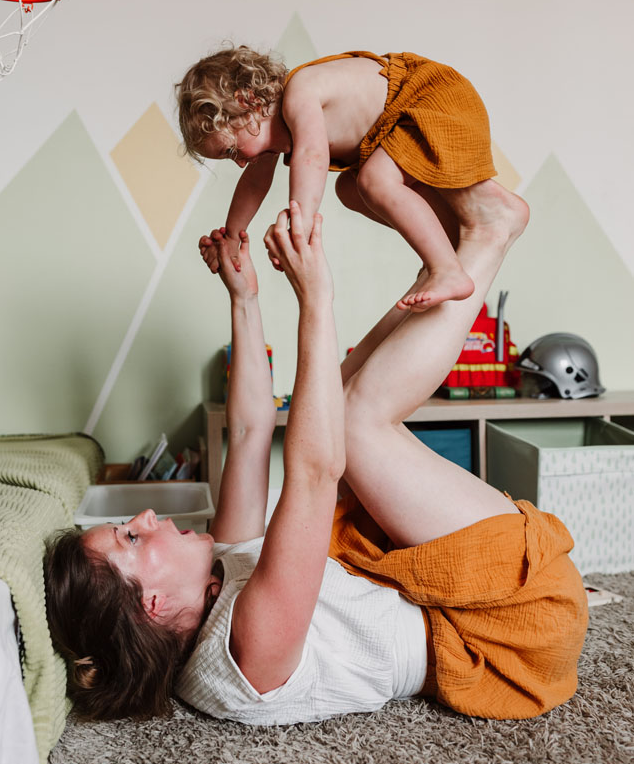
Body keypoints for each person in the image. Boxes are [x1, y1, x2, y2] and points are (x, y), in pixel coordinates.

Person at [45, 195, 588, 725]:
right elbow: (313, 473)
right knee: (351, 423)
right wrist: (314, 297)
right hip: (513, 625)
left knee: (340, 394)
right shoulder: (246, 655)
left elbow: (253, 431)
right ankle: (490, 234)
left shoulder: (214, 582)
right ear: (154, 605)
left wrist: (244, 299)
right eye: (131, 539)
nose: (142, 519)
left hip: (465, 599)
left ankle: (440, 267)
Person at [176, 45, 517, 311]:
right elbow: (253, 185)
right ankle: (450, 242)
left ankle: (447, 269)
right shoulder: (264, 135)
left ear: (247, 103)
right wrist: (233, 238)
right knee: (349, 189)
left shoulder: (300, 94)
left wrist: (301, 226)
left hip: (429, 98)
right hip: (396, 128)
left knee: (373, 180)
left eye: (233, 151)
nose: (239, 163)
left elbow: (312, 156)